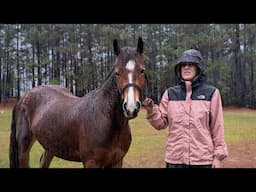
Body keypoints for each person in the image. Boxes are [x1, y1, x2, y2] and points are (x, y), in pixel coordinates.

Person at [143, 49, 228, 168]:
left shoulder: (212, 93)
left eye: (190, 64)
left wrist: (218, 157)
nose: (186, 68)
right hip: (175, 160)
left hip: (202, 161)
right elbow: (161, 124)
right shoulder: (170, 93)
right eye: (183, 65)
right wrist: (151, 110)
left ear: (198, 68)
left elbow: (217, 127)